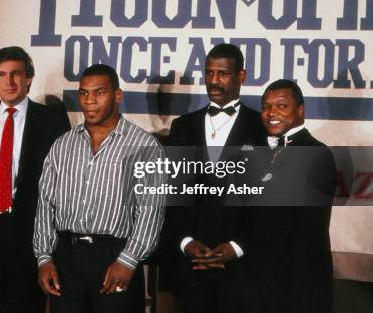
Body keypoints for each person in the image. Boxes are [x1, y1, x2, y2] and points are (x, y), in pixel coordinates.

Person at [34, 64, 165, 313]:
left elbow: (151, 212)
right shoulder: (63, 145)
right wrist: (44, 257)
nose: (89, 101)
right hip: (66, 259)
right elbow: (45, 205)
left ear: (117, 96)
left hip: (115, 257)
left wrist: (128, 260)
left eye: (99, 92)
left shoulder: (144, 145)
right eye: (83, 93)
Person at [0, 46, 70, 313]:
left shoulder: (51, 122)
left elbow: (63, 184)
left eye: (16, 74)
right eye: (1, 74)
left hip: (29, 232)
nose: (9, 82)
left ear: (28, 78)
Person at [163, 43, 267, 313]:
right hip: (191, 267)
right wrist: (185, 243)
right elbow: (171, 194)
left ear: (241, 76)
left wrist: (237, 246)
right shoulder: (182, 127)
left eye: (222, 74)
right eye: (209, 74)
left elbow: (269, 201)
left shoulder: (262, 128)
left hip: (243, 268)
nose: (214, 81)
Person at [243, 79, 336, 313]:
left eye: (281, 106)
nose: (271, 113)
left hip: (298, 290)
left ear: (300, 110)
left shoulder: (316, 154)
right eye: (266, 106)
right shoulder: (256, 151)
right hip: (258, 286)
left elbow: (306, 234)